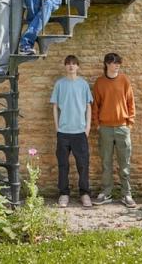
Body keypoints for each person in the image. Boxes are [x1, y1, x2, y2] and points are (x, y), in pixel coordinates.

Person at [91, 52, 136, 208]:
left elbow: (131, 102)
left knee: (124, 163)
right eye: (114, 62)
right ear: (107, 64)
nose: (117, 65)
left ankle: (127, 194)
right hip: (105, 128)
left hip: (123, 127)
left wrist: (129, 123)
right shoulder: (100, 82)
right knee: (106, 163)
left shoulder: (124, 80)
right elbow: (95, 105)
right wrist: (97, 124)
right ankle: (106, 193)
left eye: (118, 63)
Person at [50, 55, 93, 208]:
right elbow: (54, 106)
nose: (71, 66)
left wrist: (87, 127)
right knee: (63, 165)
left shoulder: (83, 84)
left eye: (74, 64)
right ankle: (63, 194)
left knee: (83, 164)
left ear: (78, 66)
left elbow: (88, 106)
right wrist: (57, 127)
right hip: (63, 132)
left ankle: (85, 193)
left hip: (80, 132)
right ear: (65, 66)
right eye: (68, 64)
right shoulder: (60, 84)